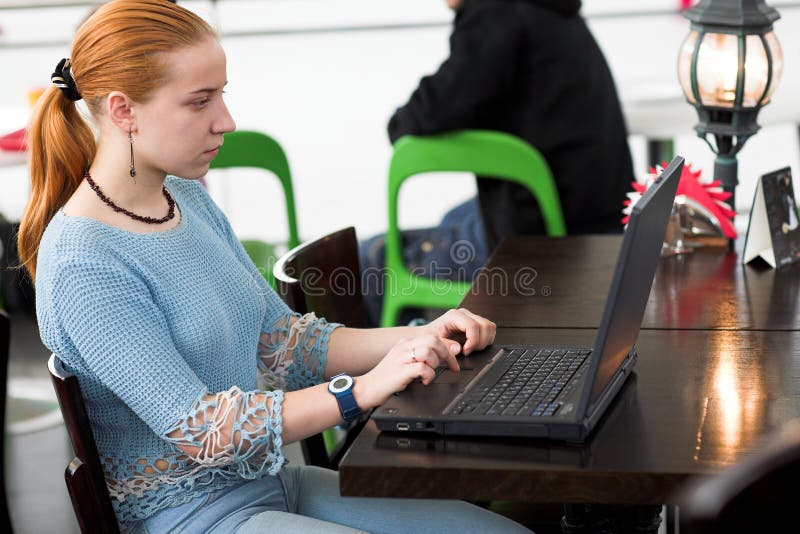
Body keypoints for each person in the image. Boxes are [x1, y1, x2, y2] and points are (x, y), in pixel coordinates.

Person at [17, 1, 532, 532]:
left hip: (273, 484)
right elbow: (202, 429)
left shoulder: (185, 199)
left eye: (222, 94)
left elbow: (284, 342)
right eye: (199, 102)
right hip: (190, 518)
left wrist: (416, 339)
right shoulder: (84, 262)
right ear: (124, 111)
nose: (227, 121)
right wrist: (360, 391)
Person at [360, 0, 634, 327]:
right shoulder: (550, 14)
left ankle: (393, 371)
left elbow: (432, 111)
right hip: (600, 224)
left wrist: (399, 123)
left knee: (370, 261)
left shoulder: (495, 13)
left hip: (544, 249)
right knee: (454, 216)